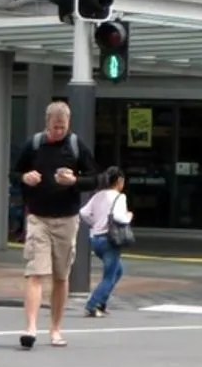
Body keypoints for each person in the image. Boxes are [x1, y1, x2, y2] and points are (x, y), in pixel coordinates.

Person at [12, 101, 98, 350]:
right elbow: (14, 173)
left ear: (68, 123)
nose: (59, 131)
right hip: (38, 217)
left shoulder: (75, 146)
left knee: (61, 276)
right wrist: (25, 178)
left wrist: (74, 180)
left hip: (67, 218)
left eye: (63, 127)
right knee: (35, 272)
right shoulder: (34, 144)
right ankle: (30, 328)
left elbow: (94, 178)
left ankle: (56, 329)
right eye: (55, 127)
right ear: (47, 122)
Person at [79, 167, 133, 317]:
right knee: (109, 276)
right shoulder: (119, 197)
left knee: (118, 270)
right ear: (120, 181)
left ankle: (101, 302)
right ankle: (92, 305)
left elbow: (83, 212)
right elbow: (119, 217)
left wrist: (94, 223)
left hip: (96, 239)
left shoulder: (98, 195)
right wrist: (129, 216)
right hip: (110, 240)